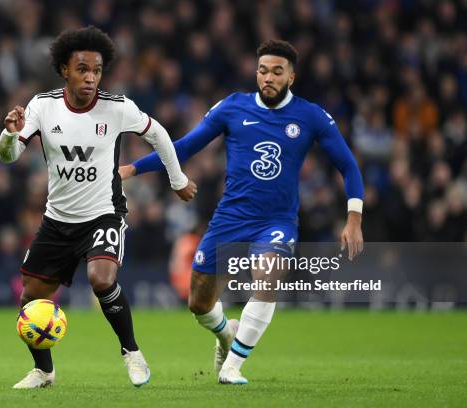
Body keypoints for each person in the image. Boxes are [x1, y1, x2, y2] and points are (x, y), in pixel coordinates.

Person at [120, 40, 364, 384]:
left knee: (267, 279)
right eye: (263, 70)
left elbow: (349, 166)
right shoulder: (233, 108)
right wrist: (133, 167)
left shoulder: (311, 116)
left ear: (291, 77)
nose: (268, 77)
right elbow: (185, 146)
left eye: (277, 72)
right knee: (199, 304)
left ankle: (233, 366)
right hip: (230, 218)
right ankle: (225, 335)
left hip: (277, 221)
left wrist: (354, 219)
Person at [0, 26, 197, 389]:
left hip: (103, 214)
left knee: (101, 279)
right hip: (57, 220)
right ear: (64, 70)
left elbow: (159, 134)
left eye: (97, 70)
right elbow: (9, 156)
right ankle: (44, 371)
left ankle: (132, 353)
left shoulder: (117, 108)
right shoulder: (42, 106)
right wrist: (9, 134)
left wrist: (177, 179)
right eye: (82, 69)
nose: (90, 77)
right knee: (29, 297)